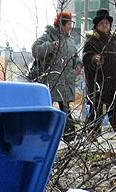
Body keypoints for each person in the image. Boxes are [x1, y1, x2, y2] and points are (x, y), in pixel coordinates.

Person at [30, 11, 81, 142]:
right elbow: (35, 50)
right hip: (50, 80)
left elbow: (75, 56)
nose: (70, 26)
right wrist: (51, 46)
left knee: (65, 108)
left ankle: (69, 136)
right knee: (47, 107)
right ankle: (43, 133)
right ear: (61, 24)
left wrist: (78, 65)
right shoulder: (49, 37)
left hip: (66, 80)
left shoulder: (70, 40)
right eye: (69, 23)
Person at [81, 9, 116, 141]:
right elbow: (86, 57)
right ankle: (92, 133)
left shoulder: (113, 40)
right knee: (96, 108)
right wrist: (94, 59)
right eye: (102, 23)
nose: (105, 25)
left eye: (107, 23)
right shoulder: (91, 41)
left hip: (114, 80)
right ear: (97, 25)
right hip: (98, 81)